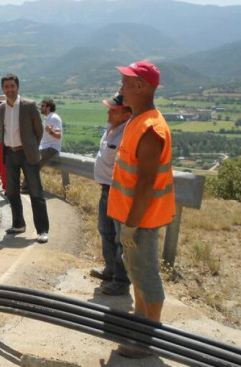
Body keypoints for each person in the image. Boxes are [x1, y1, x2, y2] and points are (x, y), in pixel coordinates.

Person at [108, 61, 175, 358]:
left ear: (140, 86)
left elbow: (146, 183)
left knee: (146, 276)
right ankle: (140, 321)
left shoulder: (150, 128)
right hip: (133, 217)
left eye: (126, 81)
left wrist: (132, 225)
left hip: (143, 220)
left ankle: (148, 339)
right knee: (136, 271)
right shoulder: (138, 119)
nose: (121, 87)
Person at [0, 73, 49, 244]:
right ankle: (18, 224)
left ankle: (42, 230)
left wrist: (31, 147)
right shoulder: (2, 108)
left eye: (12, 86)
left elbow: (39, 131)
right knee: (11, 191)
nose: (9, 90)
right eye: (6, 87)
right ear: (3, 89)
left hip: (27, 154)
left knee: (36, 193)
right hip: (10, 154)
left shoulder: (29, 105)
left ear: (18, 87)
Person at [90, 92, 132, 296]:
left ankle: (122, 280)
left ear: (125, 114)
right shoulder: (111, 128)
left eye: (113, 110)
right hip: (106, 188)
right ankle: (111, 270)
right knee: (105, 230)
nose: (108, 112)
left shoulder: (128, 133)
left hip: (119, 190)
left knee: (119, 237)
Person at [21, 98, 62, 192]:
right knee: (31, 163)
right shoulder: (48, 118)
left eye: (43, 106)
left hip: (51, 147)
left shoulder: (54, 118)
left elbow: (58, 135)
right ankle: (30, 186)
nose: (41, 108)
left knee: (33, 164)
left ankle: (27, 187)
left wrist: (51, 132)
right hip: (45, 147)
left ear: (48, 107)